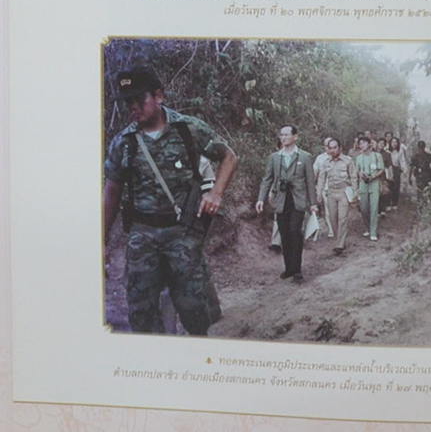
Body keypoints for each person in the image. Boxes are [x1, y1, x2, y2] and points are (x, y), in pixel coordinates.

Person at [103, 66, 238, 335]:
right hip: (142, 237)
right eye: (127, 101)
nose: (133, 107)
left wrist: (216, 193)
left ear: (159, 96)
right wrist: (102, 241)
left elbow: (229, 157)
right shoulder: (124, 143)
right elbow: (111, 193)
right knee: (141, 313)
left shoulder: (187, 129)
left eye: (139, 99)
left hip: (182, 234)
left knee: (194, 310)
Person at [255, 125, 318, 282]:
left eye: (286, 135)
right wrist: (261, 199)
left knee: (295, 231)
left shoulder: (304, 157)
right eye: (281, 135)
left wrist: (313, 203)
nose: (283, 138)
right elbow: (267, 179)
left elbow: (310, 181)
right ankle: (288, 267)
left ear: (295, 137)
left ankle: (297, 270)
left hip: (298, 200)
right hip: (281, 200)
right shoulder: (275, 157)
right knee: (284, 234)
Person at [316, 137, 358, 255]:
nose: (333, 150)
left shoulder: (348, 161)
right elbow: (321, 178)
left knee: (343, 218)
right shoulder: (326, 163)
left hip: (343, 192)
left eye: (335, 148)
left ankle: (340, 244)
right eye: (330, 148)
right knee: (332, 218)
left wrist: (355, 192)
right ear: (328, 149)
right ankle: (339, 239)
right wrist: (319, 193)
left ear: (340, 148)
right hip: (331, 193)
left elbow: (354, 176)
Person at [355, 135, 384, 241]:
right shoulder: (358, 157)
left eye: (364, 143)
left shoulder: (377, 156)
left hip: (374, 184)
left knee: (374, 208)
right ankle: (368, 227)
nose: (362, 145)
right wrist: (361, 174)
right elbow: (357, 170)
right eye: (360, 143)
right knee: (364, 208)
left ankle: (373, 231)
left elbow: (381, 169)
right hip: (363, 184)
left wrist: (372, 177)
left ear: (369, 144)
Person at [313, 139, 335, 238]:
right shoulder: (320, 158)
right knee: (328, 209)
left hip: (339, 188)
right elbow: (315, 172)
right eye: (327, 145)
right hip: (325, 188)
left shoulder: (341, 157)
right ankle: (331, 230)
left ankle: (338, 228)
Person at [409, 140, 431, 209]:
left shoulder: (429, 156)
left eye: (422, 147)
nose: (421, 149)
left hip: (426, 175)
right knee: (420, 190)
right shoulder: (415, 156)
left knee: (426, 190)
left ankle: (425, 203)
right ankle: (420, 204)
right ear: (418, 147)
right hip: (419, 175)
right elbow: (411, 167)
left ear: (424, 147)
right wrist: (409, 177)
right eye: (420, 147)